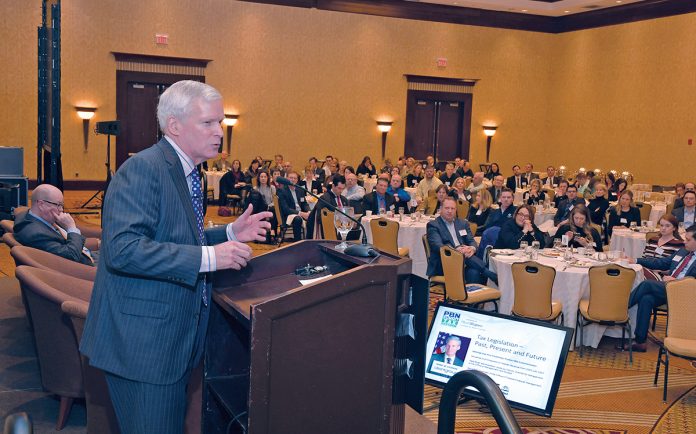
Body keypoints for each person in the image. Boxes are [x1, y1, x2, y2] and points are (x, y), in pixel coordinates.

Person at [80, 80, 272, 434]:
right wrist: (212, 258)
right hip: (144, 348)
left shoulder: (184, 171)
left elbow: (176, 237)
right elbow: (124, 250)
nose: (219, 132)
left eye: (220, 123)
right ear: (174, 126)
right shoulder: (144, 170)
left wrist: (229, 234)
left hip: (171, 341)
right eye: (208, 123)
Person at [627, 224, 696, 352]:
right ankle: (640, 341)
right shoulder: (683, 251)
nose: (684, 241)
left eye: (688, 240)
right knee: (647, 299)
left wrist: (678, 282)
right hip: (668, 289)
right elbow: (661, 263)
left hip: (684, 294)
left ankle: (620, 308)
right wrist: (636, 260)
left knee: (647, 284)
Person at [13, 184, 96, 265]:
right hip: (85, 267)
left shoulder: (29, 215)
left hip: (86, 253)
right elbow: (72, 257)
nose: (61, 210)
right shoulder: (36, 234)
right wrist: (71, 228)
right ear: (41, 205)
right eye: (58, 205)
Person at [426, 196, 498, 284]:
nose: (450, 211)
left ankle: (471, 297)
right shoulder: (433, 225)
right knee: (463, 254)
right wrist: (457, 250)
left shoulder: (462, 223)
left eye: (452, 208)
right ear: (441, 209)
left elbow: (471, 240)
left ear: (456, 210)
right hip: (444, 263)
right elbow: (438, 246)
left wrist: (472, 248)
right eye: (447, 208)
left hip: (466, 262)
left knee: (474, 273)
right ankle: (490, 273)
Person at [639, 215, 684, 280]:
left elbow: (677, 268)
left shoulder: (678, 244)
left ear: (674, 228)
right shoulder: (652, 240)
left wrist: (661, 271)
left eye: (667, 226)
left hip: (663, 276)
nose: (663, 228)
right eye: (661, 225)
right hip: (645, 271)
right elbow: (644, 258)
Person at [276, 171, 311, 241]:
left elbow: (304, 203)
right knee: (297, 219)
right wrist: (301, 213)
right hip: (288, 215)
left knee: (313, 216)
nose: (293, 180)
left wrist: (309, 211)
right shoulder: (281, 191)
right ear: (287, 179)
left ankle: (309, 240)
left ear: (297, 180)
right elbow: (286, 209)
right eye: (291, 178)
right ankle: (297, 242)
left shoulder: (300, 190)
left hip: (301, 213)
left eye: (295, 178)